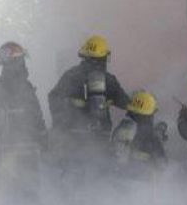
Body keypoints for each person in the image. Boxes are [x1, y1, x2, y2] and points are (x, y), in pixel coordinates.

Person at [48, 35, 130, 182]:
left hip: (73, 138)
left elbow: (54, 98)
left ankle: (70, 202)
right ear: (104, 57)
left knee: (73, 176)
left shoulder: (71, 75)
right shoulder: (109, 79)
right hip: (100, 138)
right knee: (99, 177)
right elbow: (126, 103)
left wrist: (61, 124)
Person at [0, 41, 48, 200]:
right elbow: (37, 116)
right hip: (23, 149)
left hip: (7, 149)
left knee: (9, 193)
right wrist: (44, 139)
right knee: (27, 193)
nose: (22, 64)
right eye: (20, 60)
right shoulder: (23, 86)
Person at [111, 90, 167, 180]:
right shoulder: (151, 137)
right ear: (149, 114)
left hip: (120, 179)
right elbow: (162, 164)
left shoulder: (121, 128)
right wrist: (159, 137)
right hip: (142, 185)